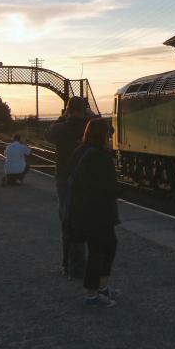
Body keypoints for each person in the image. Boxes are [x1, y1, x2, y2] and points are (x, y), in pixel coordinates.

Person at [64, 118, 120, 306]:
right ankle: (91, 294)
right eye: (108, 134)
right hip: (97, 213)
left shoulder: (80, 151)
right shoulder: (98, 156)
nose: (110, 137)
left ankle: (102, 287)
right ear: (102, 135)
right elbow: (110, 186)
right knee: (100, 251)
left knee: (108, 246)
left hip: (83, 210)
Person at [47, 96, 94, 278]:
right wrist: (92, 116)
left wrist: (62, 117)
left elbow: (48, 134)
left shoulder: (60, 128)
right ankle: (84, 263)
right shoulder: (90, 127)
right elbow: (109, 129)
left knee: (67, 223)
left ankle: (68, 265)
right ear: (84, 109)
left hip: (65, 179)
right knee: (88, 223)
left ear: (68, 109)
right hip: (87, 181)